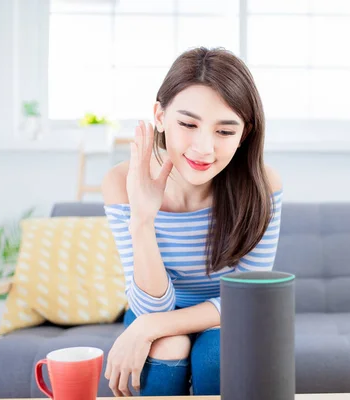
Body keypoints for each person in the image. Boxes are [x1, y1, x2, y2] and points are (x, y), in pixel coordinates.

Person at [101, 46, 283, 397]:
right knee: (167, 347)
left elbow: (247, 298)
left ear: (243, 134)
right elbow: (151, 307)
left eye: (224, 132)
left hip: (228, 318)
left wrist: (148, 327)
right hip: (156, 311)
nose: (204, 148)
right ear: (159, 115)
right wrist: (142, 220)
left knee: (217, 354)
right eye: (188, 124)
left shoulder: (263, 185)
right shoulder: (121, 183)